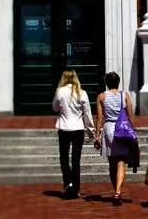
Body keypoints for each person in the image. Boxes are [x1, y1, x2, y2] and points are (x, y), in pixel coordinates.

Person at [93, 71, 136, 206]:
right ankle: (118, 192)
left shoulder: (101, 96)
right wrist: (133, 132)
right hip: (122, 129)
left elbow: (99, 118)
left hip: (109, 128)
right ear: (118, 82)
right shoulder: (125, 95)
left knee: (112, 163)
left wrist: (97, 136)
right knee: (121, 161)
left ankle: (116, 191)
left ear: (106, 83)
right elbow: (130, 116)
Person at [52, 69, 95, 199]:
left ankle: (68, 183)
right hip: (78, 128)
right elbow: (87, 113)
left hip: (64, 128)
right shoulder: (82, 93)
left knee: (64, 157)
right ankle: (75, 188)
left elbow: (55, 107)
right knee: (76, 159)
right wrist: (91, 131)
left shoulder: (60, 91)